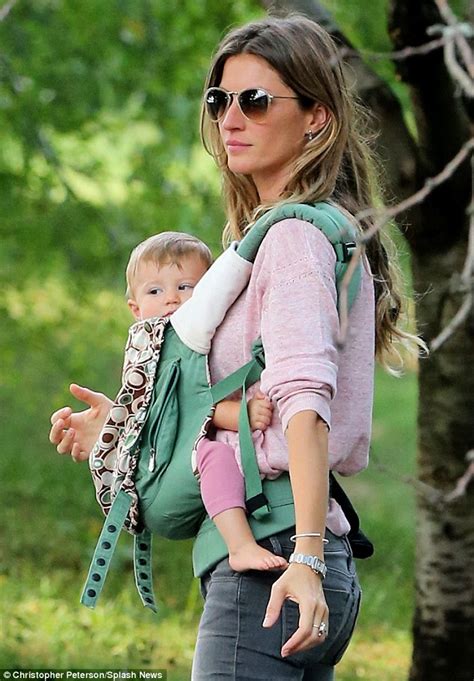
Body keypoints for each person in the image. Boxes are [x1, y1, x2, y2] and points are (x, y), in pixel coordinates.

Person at [50, 13, 421, 679]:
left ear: (316, 118)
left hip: (275, 562)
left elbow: (304, 403)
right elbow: (234, 410)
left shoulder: (293, 241)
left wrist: (304, 559)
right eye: (220, 100)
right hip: (298, 558)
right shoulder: (296, 237)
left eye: (256, 100)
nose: (230, 117)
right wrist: (121, 425)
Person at [126, 229, 288, 572]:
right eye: (155, 291)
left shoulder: (191, 342)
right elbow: (184, 406)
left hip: (175, 469)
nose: (172, 299)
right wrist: (238, 413)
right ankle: (240, 545)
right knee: (214, 455)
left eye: (186, 287)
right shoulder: (153, 345)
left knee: (216, 455)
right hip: (162, 472)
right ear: (135, 309)